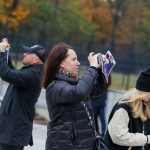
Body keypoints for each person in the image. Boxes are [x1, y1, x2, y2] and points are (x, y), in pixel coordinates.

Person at [42, 42, 108, 150]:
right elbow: (78, 93)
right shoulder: (54, 87)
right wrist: (92, 67)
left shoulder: (74, 83)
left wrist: (101, 67)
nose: (78, 63)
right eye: (74, 59)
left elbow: (98, 89)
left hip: (83, 145)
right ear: (61, 63)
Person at [0, 38, 48, 150]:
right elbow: (11, 72)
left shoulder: (34, 75)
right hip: (11, 131)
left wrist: (2, 53)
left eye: (28, 52)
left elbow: (6, 74)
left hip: (13, 132)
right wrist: (6, 52)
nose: (24, 53)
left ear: (36, 59)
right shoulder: (31, 71)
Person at [104, 67, 150, 150]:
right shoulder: (124, 107)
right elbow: (118, 136)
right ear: (144, 91)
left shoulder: (146, 104)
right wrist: (146, 139)